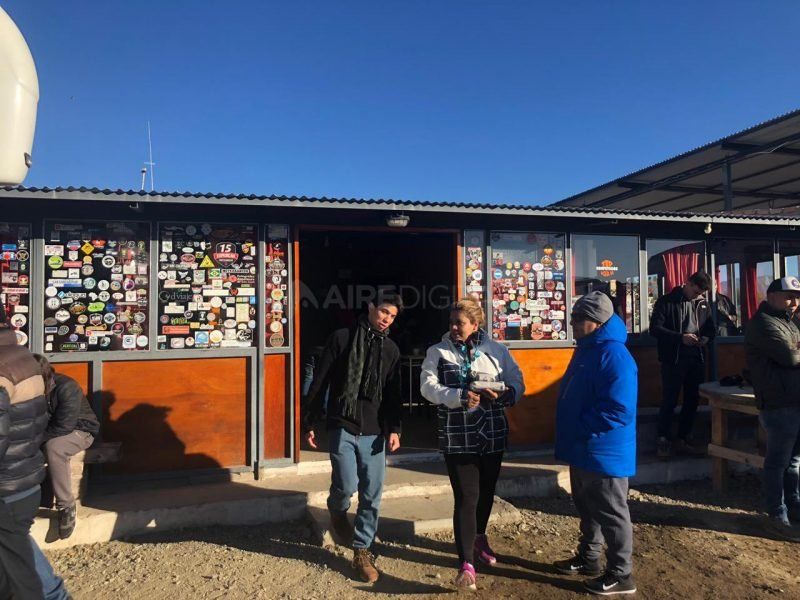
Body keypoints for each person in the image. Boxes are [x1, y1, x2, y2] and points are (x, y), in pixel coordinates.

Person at [420, 297, 524, 591]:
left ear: (475, 325)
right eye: (451, 322)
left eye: (460, 323)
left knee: (487, 492)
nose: (454, 327)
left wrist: (505, 394)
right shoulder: (437, 352)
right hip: (457, 433)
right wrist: (457, 397)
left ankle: (479, 538)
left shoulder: (497, 350)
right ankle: (466, 563)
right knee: (467, 496)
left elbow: (518, 380)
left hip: (491, 431)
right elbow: (427, 387)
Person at [302, 292, 403, 583]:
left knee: (372, 494)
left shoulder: (391, 350)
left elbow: (394, 394)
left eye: (392, 316)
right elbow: (320, 380)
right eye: (384, 311)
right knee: (346, 484)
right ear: (371, 307)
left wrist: (394, 428)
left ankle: (362, 550)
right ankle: (337, 509)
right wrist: (309, 421)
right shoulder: (342, 338)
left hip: (374, 432)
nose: (386, 319)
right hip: (342, 424)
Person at [553, 291, 638, 596]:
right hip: (584, 446)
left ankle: (621, 573)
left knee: (612, 512)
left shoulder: (613, 355)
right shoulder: (588, 349)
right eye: (573, 316)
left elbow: (619, 409)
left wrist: (581, 427)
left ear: (597, 321)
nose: (573, 323)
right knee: (588, 508)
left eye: (579, 318)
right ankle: (589, 558)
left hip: (603, 449)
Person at [0, 308, 69, 599]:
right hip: (22, 479)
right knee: (15, 555)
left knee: (19, 572)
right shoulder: (21, 357)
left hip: (6, 486)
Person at [745, 276, 800, 541]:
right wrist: (794, 349)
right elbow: (789, 356)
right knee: (778, 462)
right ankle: (776, 514)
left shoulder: (790, 323)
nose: (794, 302)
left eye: (797, 296)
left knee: (794, 462)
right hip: (778, 404)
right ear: (771, 296)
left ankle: (794, 505)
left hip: (795, 400)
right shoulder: (762, 323)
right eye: (789, 296)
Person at [649, 270, 714, 458]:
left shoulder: (703, 304)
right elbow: (655, 329)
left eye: (701, 293)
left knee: (692, 399)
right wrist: (680, 338)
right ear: (688, 283)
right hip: (674, 358)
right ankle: (663, 438)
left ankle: (684, 437)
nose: (698, 295)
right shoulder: (666, 301)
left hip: (696, 357)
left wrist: (706, 338)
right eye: (696, 291)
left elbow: (711, 329)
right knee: (670, 399)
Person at [34, 355, 100, 540]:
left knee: (55, 447)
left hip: (81, 430)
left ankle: (66, 505)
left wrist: (35, 440)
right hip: (48, 432)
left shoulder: (66, 387)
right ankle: (33, 497)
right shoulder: (28, 389)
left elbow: (64, 426)